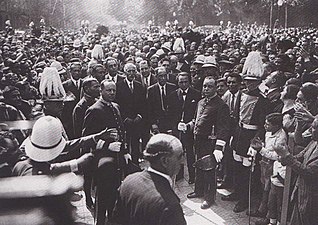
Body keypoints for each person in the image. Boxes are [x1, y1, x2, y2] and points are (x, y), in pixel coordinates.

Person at [82, 79, 131, 225]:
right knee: (103, 198)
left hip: (117, 160)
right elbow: (86, 139)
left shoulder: (115, 107)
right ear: (101, 91)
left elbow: (122, 132)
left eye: (114, 90)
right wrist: (106, 146)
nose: (111, 93)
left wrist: (125, 151)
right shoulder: (94, 110)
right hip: (102, 162)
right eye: (108, 90)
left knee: (115, 196)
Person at [111, 133, 187, 225]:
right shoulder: (170, 205)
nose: (183, 161)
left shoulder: (129, 181)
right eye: (180, 156)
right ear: (165, 161)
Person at [12, 116, 116, 176]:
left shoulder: (20, 164)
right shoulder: (36, 178)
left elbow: (72, 144)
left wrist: (96, 137)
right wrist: (75, 164)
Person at [186, 76, 230, 209]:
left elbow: (224, 128)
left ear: (216, 88)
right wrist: (188, 125)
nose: (206, 89)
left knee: (209, 170)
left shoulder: (221, 105)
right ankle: (199, 190)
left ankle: (209, 197)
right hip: (198, 140)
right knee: (199, 165)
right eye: (204, 86)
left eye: (209, 86)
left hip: (210, 142)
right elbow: (196, 119)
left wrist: (218, 147)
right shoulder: (200, 102)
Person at [273, 117, 318, 225]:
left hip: (312, 199)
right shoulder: (314, 142)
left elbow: (309, 172)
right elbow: (300, 156)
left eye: (314, 128)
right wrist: (283, 156)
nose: (311, 130)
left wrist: (287, 156)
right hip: (301, 194)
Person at [167, 72, 201, 184]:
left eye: (186, 82)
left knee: (190, 153)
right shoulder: (172, 95)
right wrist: (174, 126)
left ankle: (192, 175)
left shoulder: (196, 94)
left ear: (189, 82)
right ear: (177, 83)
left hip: (190, 128)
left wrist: (190, 124)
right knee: (178, 152)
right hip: (177, 128)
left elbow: (198, 113)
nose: (183, 84)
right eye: (181, 82)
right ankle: (179, 174)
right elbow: (170, 113)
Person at [116, 63, 146, 163]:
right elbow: (117, 104)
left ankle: (135, 163)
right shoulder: (119, 86)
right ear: (125, 72)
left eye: (133, 71)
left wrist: (139, 115)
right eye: (129, 71)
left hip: (136, 120)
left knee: (136, 143)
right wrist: (124, 118)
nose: (131, 73)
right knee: (125, 143)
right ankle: (126, 165)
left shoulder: (139, 85)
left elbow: (143, 103)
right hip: (125, 121)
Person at [147, 66, 177, 133]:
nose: (163, 78)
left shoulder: (173, 87)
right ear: (156, 77)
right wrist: (153, 123)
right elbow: (149, 108)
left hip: (171, 121)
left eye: (165, 76)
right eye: (160, 76)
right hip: (158, 122)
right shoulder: (151, 90)